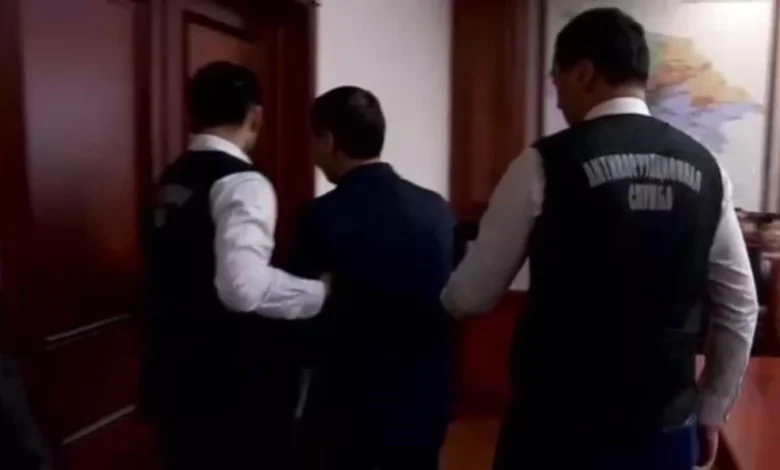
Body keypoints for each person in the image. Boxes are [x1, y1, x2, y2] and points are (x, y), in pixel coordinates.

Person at [441, 8, 758, 470]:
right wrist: (711, 410)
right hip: (665, 431)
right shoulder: (708, 170)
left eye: (558, 82)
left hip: (556, 431)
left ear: (584, 72)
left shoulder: (544, 162)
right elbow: (739, 305)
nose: (558, 100)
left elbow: (472, 295)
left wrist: (435, 298)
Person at [141, 61, 328, 470]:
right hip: (226, 375)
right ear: (255, 117)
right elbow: (242, 289)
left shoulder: (170, 177)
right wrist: (321, 292)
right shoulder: (243, 184)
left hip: (171, 363)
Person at [290, 86, 455, 470]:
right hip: (424, 403)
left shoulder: (320, 217)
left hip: (346, 411)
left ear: (329, 141)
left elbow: (300, 313)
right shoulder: (437, 210)